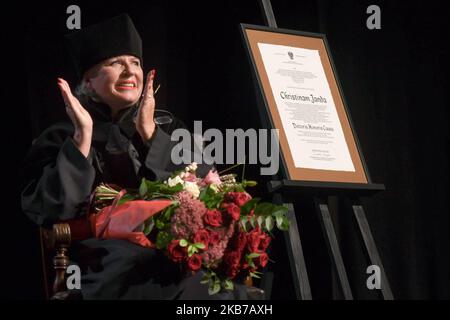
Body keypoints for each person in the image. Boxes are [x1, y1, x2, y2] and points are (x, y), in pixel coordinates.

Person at [21, 14, 249, 300]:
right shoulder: (62, 135)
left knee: (229, 291)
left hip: (176, 249)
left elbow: (207, 185)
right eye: (116, 63)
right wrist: (82, 138)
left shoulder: (168, 127)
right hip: (108, 259)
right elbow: (49, 210)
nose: (130, 71)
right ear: (89, 82)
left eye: (136, 63)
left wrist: (150, 133)